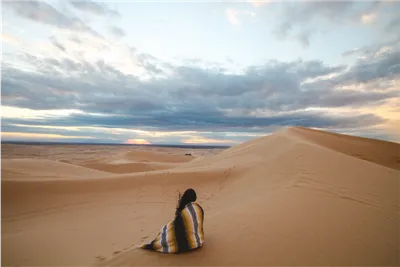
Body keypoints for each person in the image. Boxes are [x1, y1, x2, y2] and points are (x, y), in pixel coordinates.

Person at [139, 188, 204, 254]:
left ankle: (158, 243)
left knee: (167, 230)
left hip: (189, 247)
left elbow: (178, 230)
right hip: (198, 243)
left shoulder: (184, 213)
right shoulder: (199, 208)